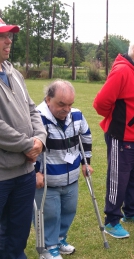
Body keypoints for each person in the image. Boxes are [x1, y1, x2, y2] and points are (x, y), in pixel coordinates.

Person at [93, 38, 134, 238]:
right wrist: (120, 119)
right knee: (118, 179)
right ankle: (112, 220)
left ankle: (132, 212)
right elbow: (100, 103)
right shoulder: (122, 71)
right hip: (122, 136)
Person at [0, 18, 46, 259]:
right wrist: (28, 144)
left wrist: (40, 138)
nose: (9, 41)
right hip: (2, 174)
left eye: (9, 35)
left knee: (18, 230)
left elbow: (32, 110)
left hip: (25, 172)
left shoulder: (13, 72)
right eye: (2, 36)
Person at [34, 80, 93, 259]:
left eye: (70, 104)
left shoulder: (76, 116)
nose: (67, 109)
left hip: (71, 176)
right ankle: (47, 247)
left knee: (69, 210)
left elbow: (86, 137)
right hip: (47, 180)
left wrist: (86, 162)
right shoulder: (37, 117)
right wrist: (36, 171)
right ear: (48, 99)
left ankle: (59, 239)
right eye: (61, 104)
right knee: (49, 214)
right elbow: (32, 148)